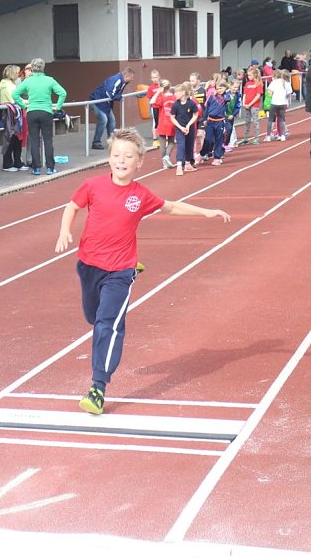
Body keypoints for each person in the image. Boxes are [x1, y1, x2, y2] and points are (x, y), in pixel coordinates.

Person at [54, 127, 230, 415]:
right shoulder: (92, 186)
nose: (121, 161)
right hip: (88, 265)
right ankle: (103, 327)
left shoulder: (140, 195)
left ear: (139, 162)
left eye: (128, 156)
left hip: (120, 270)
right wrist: (64, 231)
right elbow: (72, 207)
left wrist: (205, 212)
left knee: (108, 325)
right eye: (116, 155)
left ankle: (98, 388)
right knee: (93, 317)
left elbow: (170, 207)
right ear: (109, 159)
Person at [12, 58, 67, 176]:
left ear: (32, 68)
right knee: (48, 140)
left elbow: (15, 94)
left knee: (34, 140)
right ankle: (50, 168)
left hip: (32, 112)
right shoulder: (50, 80)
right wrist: (57, 107)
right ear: (43, 68)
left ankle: (36, 168)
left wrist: (23, 106)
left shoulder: (28, 81)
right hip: (46, 112)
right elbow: (63, 93)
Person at [88, 67, 134, 150]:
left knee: (112, 121)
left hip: (105, 103)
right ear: (127, 76)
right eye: (131, 77)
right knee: (103, 120)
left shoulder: (123, 81)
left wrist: (118, 96)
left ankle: (112, 141)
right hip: (96, 101)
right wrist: (119, 97)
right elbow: (110, 93)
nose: (132, 79)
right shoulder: (117, 80)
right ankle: (96, 142)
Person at [0, 64, 27, 172]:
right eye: (17, 72)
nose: (19, 74)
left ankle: (17, 162)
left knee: (17, 137)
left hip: (15, 112)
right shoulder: (6, 85)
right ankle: (7, 164)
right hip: (10, 113)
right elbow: (14, 99)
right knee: (10, 137)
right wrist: (25, 102)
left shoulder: (11, 84)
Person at [170, 82, 199, 176]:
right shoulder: (175, 105)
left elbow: (195, 115)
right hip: (180, 129)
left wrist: (188, 125)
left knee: (189, 146)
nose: (174, 94)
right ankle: (179, 165)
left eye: (176, 92)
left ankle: (187, 163)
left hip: (189, 128)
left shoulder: (191, 103)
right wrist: (180, 127)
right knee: (181, 145)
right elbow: (172, 117)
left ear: (182, 92)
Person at [238, 67, 263, 145]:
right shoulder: (247, 84)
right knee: (247, 122)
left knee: (255, 121)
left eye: (250, 75)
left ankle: (256, 138)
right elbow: (244, 94)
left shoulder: (258, 84)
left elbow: (258, 96)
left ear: (255, 75)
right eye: (248, 75)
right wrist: (244, 103)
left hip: (254, 106)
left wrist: (250, 104)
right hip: (247, 106)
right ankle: (246, 138)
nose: (248, 77)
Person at [265, 70, 290, 141]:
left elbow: (269, 92)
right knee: (281, 120)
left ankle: (268, 136)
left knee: (270, 119)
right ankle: (282, 135)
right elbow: (288, 94)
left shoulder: (273, 83)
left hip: (274, 103)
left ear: (274, 76)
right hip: (282, 103)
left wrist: (273, 95)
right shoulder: (285, 83)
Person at [146, 69, 162, 148]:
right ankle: (155, 139)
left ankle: (164, 138)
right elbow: (149, 99)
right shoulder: (151, 88)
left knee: (163, 122)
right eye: (153, 78)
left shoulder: (162, 86)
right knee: (155, 123)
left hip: (162, 107)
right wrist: (149, 110)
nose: (154, 79)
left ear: (159, 77)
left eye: (156, 77)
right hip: (155, 107)